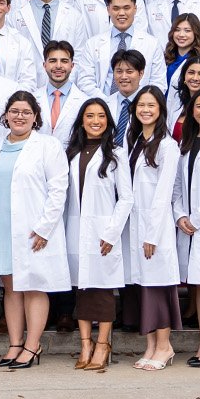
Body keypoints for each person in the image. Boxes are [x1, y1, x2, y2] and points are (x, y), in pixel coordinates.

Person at [0, 90, 69, 370]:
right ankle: (14, 343)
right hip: (2, 227)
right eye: (14, 111)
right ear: (6, 115)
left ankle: (32, 345)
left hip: (34, 229)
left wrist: (45, 227)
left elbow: (59, 189)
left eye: (26, 112)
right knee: (10, 287)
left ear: (35, 118)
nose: (19, 116)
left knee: (34, 286)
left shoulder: (48, 145)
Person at [65, 97, 131, 371]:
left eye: (101, 116)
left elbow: (126, 198)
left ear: (108, 121)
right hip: (76, 229)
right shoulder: (71, 153)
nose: (95, 121)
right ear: (82, 120)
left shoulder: (116, 153)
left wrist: (112, 232)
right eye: (90, 116)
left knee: (103, 290)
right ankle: (85, 344)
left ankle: (103, 344)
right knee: (81, 289)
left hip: (104, 232)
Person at [125, 87, 183, 369]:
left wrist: (152, 234)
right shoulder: (134, 140)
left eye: (151, 105)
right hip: (137, 225)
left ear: (161, 110)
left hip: (155, 230)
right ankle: (150, 347)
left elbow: (163, 193)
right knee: (144, 289)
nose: (145, 110)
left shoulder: (168, 146)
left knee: (158, 289)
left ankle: (165, 346)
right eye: (141, 105)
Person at [77, 0, 157, 100]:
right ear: (108, 10)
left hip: (139, 109)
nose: (121, 13)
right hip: (102, 108)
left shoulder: (152, 44)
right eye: (116, 8)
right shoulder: (92, 44)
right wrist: (108, 103)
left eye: (126, 8)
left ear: (135, 9)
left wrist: (135, 103)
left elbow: (158, 82)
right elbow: (85, 81)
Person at [36, 40, 81, 135]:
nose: (58, 66)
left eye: (64, 61)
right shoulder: (33, 98)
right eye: (53, 61)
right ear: (44, 65)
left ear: (72, 66)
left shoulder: (83, 101)